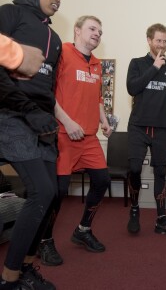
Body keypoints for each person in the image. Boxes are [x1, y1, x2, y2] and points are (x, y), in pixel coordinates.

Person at [0, 0, 63, 289]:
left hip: (42, 122)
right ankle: (9, 279)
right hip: (11, 114)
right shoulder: (9, 14)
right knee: (40, 190)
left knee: (52, 195)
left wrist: (49, 117)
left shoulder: (57, 39)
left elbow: (48, 85)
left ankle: (26, 268)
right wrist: (27, 109)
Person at [37, 15, 112, 266]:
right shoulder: (63, 53)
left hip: (89, 137)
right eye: (92, 29)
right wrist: (67, 122)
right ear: (77, 31)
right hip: (63, 134)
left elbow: (97, 99)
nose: (97, 34)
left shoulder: (98, 65)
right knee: (58, 191)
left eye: (100, 32)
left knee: (102, 181)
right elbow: (47, 91)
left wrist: (104, 121)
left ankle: (83, 229)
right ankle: (44, 240)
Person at [126, 23, 166, 237]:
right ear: (149, 41)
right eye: (158, 40)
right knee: (134, 169)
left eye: (164, 41)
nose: (161, 44)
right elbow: (132, 88)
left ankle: (161, 218)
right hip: (138, 127)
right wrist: (154, 67)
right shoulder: (137, 64)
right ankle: (135, 209)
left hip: (161, 129)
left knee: (161, 172)